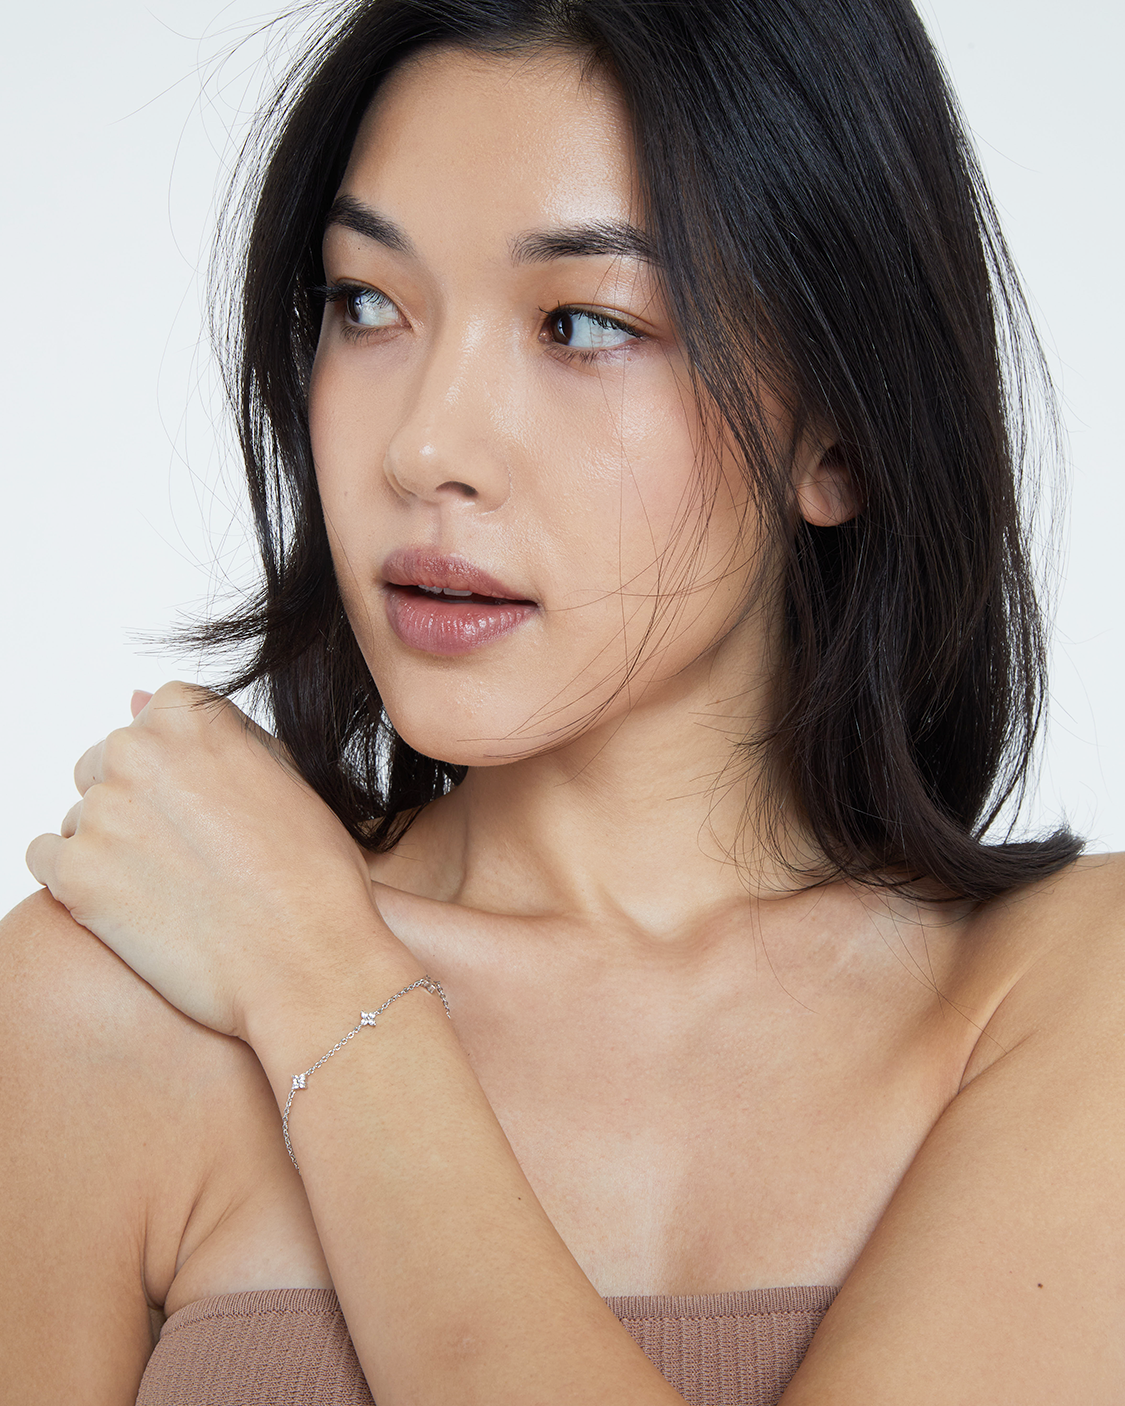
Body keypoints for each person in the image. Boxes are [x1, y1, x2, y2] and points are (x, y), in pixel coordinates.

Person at [4, 0, 1122, 1401]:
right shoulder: (100, 1014)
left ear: (837, 433)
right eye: (368, 303)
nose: (426, 445)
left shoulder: (1066, 991)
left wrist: (325, 979)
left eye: (582, 323)